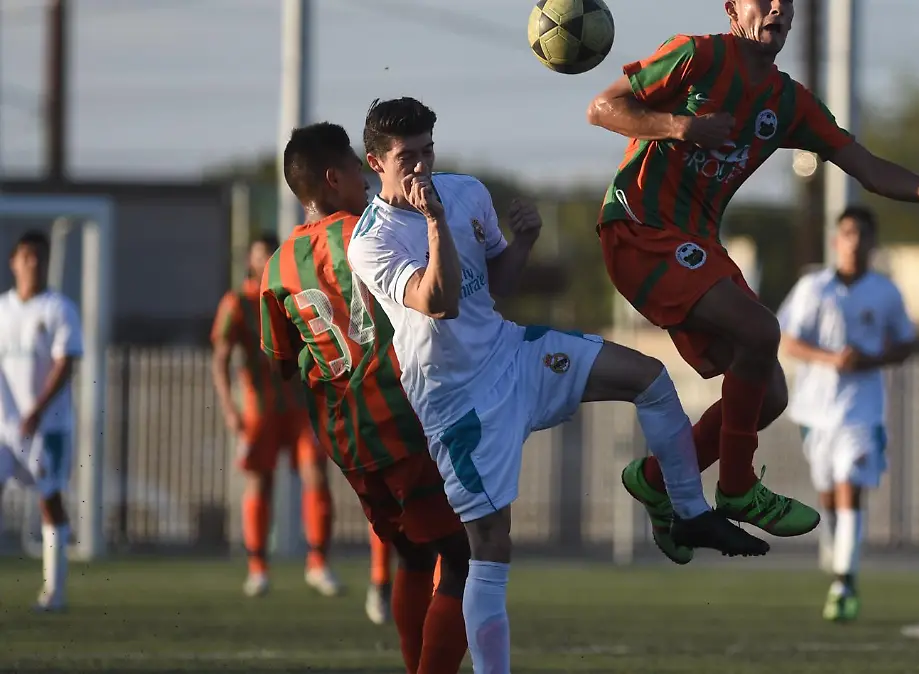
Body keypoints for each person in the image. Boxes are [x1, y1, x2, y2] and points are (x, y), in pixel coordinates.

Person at [347, 97, 768, 674]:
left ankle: (689, 512)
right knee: (489, 550)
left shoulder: (466, 190)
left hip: (511, 353)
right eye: (405, 158)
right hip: (458, 405)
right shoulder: (371, 240)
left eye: (427, 152)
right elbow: (439, 303)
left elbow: (494, 285)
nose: (420, 167)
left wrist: (521, 242)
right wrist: (435, 221)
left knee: (648, 378)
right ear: (376, 162)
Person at [586, 0, 919, 563]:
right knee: (761, 331)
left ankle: (659, 478)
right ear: (734, 8)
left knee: (770, 394)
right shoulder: (697, 56)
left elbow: (868, 166)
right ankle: (735, 488)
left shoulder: (787, 102)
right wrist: (680, 125)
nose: (779, 7)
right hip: (640, 228)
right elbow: (602, 107)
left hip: (696, 244)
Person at [260, 121, 470, 674]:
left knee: (412, 555)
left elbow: (282, 363)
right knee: (463, 556)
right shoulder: (369, 232)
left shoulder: (276, 266)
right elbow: (431, 298)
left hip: (346, 441)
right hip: (404, 418)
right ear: (334, 179)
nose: (365, 173)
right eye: (357, 166)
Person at [776, 206, 914, 622]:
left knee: (849, 484)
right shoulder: (812, 287)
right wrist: (830, 358)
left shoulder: (885, 292)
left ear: (872, 243)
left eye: (862, 234)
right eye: (847, 233)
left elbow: (905, 343)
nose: (854, 241)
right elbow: (788, 340)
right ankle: (839, 560)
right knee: (828, 496)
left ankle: (844, 582)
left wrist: (870, 359)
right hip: (815, 411)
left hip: (861, 410)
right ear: (836, 240)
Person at [211, 234, 349, 601]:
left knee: (315, 474)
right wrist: (229, 407)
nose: (266, 261)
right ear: (250, 262)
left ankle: (318, 564)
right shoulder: (237, 303)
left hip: (300, 404)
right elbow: (221, 358)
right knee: (260, 481)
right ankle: (258, 568)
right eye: (260, 255)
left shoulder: (293, 294)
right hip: (260, 408)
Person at [0, 231, 82, 612]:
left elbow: (66, 362)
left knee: (49, 499)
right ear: (14, 262)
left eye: (40, 257)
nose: (34, 263)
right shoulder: (3, 309)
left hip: (48, 426)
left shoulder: (58, 308)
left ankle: (55, 591)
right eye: (27, 256)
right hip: (4, 429)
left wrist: (36, 410)